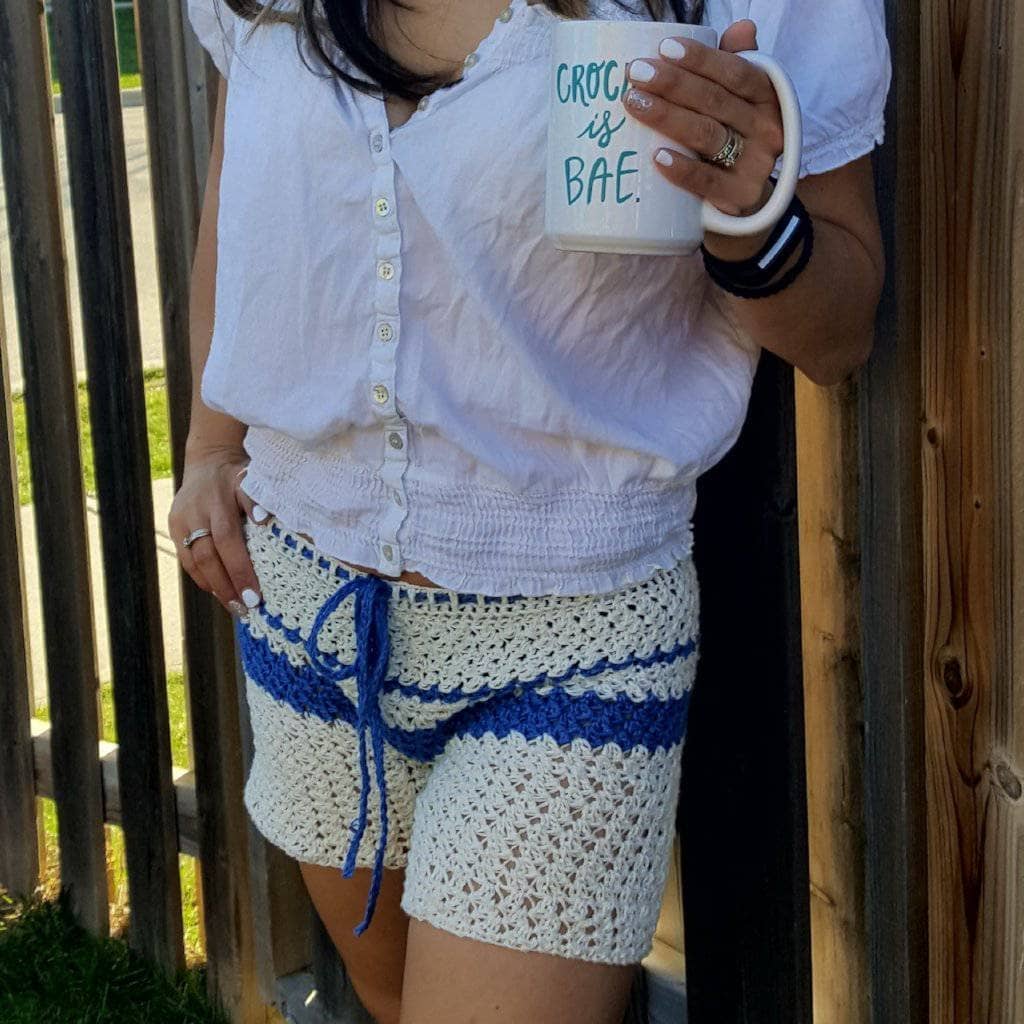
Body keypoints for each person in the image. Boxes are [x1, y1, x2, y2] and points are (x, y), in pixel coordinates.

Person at [171, 0, 889, 1021]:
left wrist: (750, 218)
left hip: (570, 637)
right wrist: (210, 445)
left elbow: (839, 333)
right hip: (304, 603)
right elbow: (236, 182)